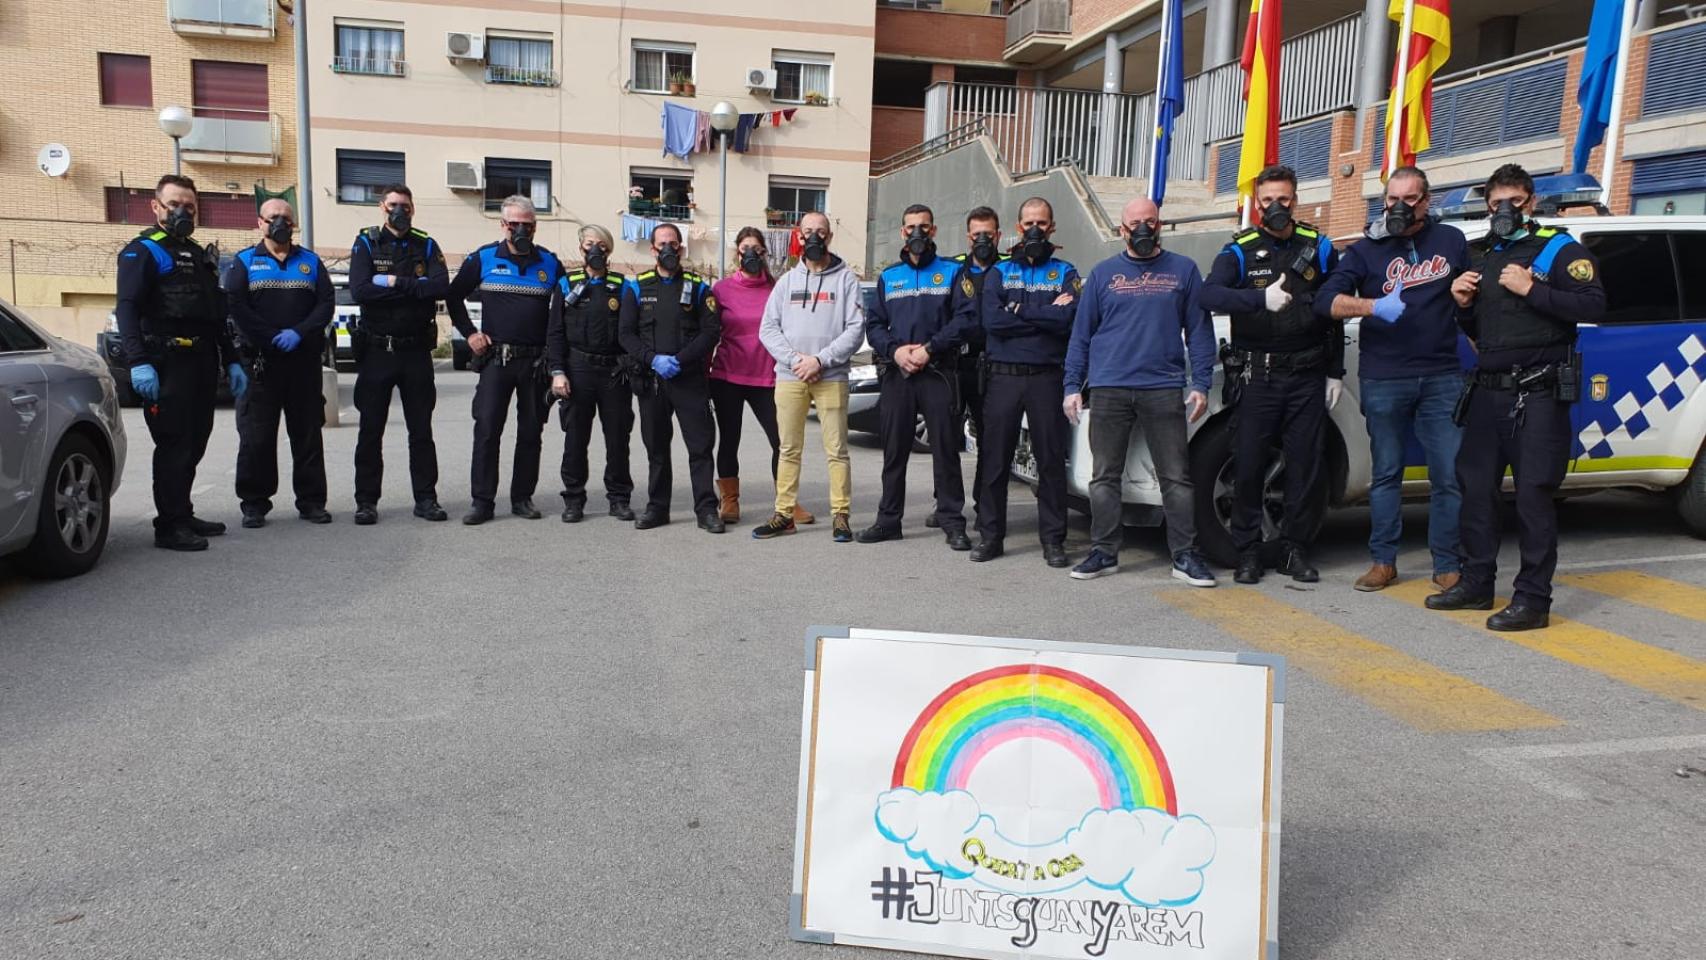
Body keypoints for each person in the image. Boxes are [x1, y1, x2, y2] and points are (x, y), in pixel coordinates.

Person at [1428, 164, 1605, 631]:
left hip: (1540, 393)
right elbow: (1479, 331)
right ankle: (1476, 581)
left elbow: (1593, 305)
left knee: (1533, 497)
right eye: (1495, 204)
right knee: (1476, 492)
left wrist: (1532, 289)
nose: (1504, 212)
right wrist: (1462, 305)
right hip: (1488, 392)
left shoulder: (1558, 249)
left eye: (1514, 202)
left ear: (1530, 201)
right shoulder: (1479, 254)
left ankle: (1533, 600)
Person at [1317, 165, 1470, 592]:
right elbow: (1325, 302)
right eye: (1391, 199)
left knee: (1448, 475)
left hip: (1441, 374)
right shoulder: (1367, 250)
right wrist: (1372, 307)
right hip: (1385, 376)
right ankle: (1383, 561)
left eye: (1409, 199)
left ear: (1427, 201)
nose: (1398, 207)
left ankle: (1446, 563)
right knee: (1386, 473)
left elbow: (1472, 299)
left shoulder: (1452, 242)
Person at [1062, 197, 1217, 587]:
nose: (1143, 228)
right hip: (1109, 385)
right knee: (1104, 477)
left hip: (1163, 387)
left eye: (1150, 221)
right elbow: (1081, 335)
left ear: (1160, 224)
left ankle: (1184, 556)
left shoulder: (1183, 270)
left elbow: (1199, 331)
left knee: (1176, 479)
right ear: (1122, 229)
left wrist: (1201, 382)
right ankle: (1104, 552)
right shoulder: (1102, 274)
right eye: (1135, 223)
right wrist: (1071, 386)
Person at [1200, 165, 1342, 584]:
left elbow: (1337, 305)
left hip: (1308, 375)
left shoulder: (1319, 246)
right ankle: (1247, 551)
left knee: (1305, 466)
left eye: (1283, 199)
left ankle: (1294, 550)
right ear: (1256, 204)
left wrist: (1335, 371)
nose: (1276, 207)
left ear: (1295, 200)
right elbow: (1208, 294)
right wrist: (1259, 298)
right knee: (1247, 466)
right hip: (1257, 376)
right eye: (1267, 201)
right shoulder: (1241, 249)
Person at [115, 174, 248, 551]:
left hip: (202, 360)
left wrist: (232, 360)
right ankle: (169, 525)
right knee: (173, 443)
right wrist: (138, 361)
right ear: (155, 206)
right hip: (166, 360)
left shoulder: (196, 253)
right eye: (174, 204)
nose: (182, 211)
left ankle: (182, 511)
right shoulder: (144, 250)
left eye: (189, 205)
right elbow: (126, 308)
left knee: (196, 440)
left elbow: (215, 315)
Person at [860, 203, 978, 549]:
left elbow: (965, 319)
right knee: (894, 450)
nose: (917, 233)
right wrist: (896, 352)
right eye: (910, 227)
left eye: (923, 227)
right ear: (901, 232)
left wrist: (929, 349)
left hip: (938, 371)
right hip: (899, 374)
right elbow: (875, 325)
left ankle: (952, 521)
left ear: (934, 231)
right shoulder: (889, 277)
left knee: (944, 449)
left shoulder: (954, 273)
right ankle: (888, 520)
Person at [972, 197, 1077, 568]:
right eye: (1028, 223)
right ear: (1018, 228)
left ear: (1052, 227)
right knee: (995, 460)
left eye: (1042, 223)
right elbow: (992, 322)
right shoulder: (999, 272)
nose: (1035, 229)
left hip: (1047, 379)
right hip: (1004, 377)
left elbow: (1067, 321)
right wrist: (1045, 314)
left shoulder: (1065, 270)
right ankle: (991, 536)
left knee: (1050, 461)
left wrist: (1016, 309)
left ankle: (1053, 540)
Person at [751, 211, 867, 542]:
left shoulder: (846, 280)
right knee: (788, 448)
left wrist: (820, 360)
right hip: (790, 377)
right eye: (807, 232)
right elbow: (768, 328)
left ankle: (841, 516)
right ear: (798, 237)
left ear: (830, 237)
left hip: (831, 376)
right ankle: (783, 514)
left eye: (821, 232)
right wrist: (795, 360)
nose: (814, 237)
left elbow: (855, 329)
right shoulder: (786, 281)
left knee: (837, 449)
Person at [445, 196, 561, 525]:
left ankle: (522, 498)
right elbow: (453, 297)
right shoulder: (482, 258)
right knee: (487, 431)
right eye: (515, 224)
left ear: (535, 227)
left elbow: (565, 311)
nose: (522, 229)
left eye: (528, 225)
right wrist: (469, 333)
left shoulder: (549, 264)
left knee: (530, 433)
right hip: (497, 361)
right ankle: (482, 501)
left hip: (535, 363)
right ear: (503, 225)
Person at [223, 198, 334, 529]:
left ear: (294, 223)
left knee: (308, 435)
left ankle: (312, 501)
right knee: (256, 437)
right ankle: (254, 503)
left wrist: (299, 333)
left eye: (286, 217)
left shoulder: (311, 263)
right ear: (260, 222)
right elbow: (237, 308)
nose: (280, 223)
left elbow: (325, 305)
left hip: (302, 363)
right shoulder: (243, 263)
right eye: (274, 217)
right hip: (260, 364)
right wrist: (270, 336)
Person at [348, 184, 451, 525]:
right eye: (393, 205)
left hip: (415, 352)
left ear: (413, 209)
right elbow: (361, 290)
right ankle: (366, 501)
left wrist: (391, 282)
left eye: (405, 206)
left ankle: (426, 499)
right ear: (382, 207)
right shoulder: (367, 241)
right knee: (370, 430)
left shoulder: (427, 243)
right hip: (378, 350)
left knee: (421, 430)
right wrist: (412, 290)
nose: (399, 211)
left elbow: (439, 288)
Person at [619, 223, 725, 533]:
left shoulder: (699, 287)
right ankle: (658, 508)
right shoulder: (636, 287)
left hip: (689, 379)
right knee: (657, 448)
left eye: (674, 244)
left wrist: (679, 360)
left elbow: (711, 331)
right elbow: (625, 334)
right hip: (653, 380)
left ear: (681, 248)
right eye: (662, 243)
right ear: (652, 249)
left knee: (701, 447)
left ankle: (706, 510)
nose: (668, 249)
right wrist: (653, 360)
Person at [709, 228, 811, 527]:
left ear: (765, 252)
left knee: (782, 442)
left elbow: (792, 330)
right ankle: (730, 501)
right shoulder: (721, 289)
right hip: (727, 375)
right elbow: (709, 332)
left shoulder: (777, 288)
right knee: (729, 440)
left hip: (769, 377)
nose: (751, 253)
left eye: (756, 248)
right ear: (737, 253)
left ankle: (787, 503)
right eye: (745, 248)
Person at [546, 224, 636, 523]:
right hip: (578, 369)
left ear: (609, 250)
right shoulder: (565, 284)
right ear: (581, 247)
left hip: (613, 372)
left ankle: (619, 498)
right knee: (575, 438)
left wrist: (630, 365)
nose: (594, 249)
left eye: (601, 244)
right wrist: (558, 371)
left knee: (618, 438)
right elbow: (555, 333)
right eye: (589, 243)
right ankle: (574, 499)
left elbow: (630, 332)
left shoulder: (623, 286)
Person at [926, 206, 1006, 529]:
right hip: (957, 364)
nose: (983, 240)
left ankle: (984, 507)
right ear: (968, 237)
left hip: (995, 366)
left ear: (998, 235)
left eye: (988, 234)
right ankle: (945, 503)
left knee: (991, 441)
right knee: (945, 439)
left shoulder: (1009, 269)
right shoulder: (955, 269)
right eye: (977, 235)